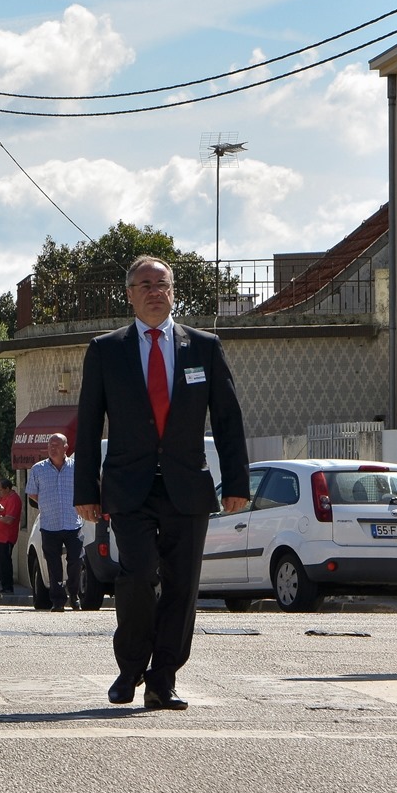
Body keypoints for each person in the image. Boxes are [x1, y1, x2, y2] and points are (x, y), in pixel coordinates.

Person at [74, 255, 249, 712]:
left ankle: (163, 678)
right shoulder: (106, 350)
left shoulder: (203, 347)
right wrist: (86, 490)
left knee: (182, 585)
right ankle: (130, 666)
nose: (155, 292)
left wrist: (237, 482)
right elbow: (88, 424)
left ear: (174, 292)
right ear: (129, 294)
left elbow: (228, 419)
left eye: (163, 284)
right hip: (128, 487)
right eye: (145, 284)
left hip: (187, 486)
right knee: (136, 575)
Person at [26, 433, 83, 611]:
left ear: (66, 447)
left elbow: (85, 490)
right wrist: (47, 504)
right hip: (49, 524)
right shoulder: (38, 469)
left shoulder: (76, 468)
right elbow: (32, 494)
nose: (52, 448)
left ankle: (74, 595)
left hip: (73, 523)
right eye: (50, 445)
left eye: (56, 445)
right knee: (53, 564)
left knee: (76, 561)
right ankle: (58, 601)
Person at [0, 476, 23, 599]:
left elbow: (9, 519)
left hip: (6, 537)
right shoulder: (3, 497)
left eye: (0, 490)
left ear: (7, 489)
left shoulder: (14, 499)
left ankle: (7, 587)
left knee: (4, 563)